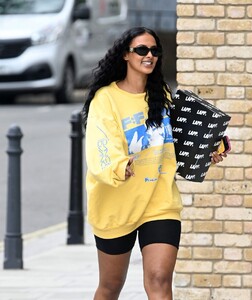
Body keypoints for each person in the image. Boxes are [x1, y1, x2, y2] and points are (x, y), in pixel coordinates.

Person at [82, 27, 225, 300]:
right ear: (125, 54)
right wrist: (117, 165)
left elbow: (180, 141)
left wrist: (209, 151)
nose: (149, 56)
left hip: (160, 202)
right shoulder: (107, 99)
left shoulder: (162, 97)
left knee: (159, 280)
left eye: (154, 51)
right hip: (116, 204)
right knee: (111, 286)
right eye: (142, 50)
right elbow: (101, 143)